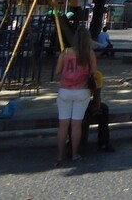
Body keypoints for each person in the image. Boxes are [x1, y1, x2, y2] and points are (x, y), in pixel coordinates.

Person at [55, 26, 97, 166]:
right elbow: (94, 73)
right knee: (76, 124)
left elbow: (57, 71)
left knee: (63, 124)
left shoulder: (65, 52)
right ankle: (74, 154)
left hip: (65, 90)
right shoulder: (89, 54)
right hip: (82, 90)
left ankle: (60, 155)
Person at [77, 70, 115, 155]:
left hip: (86, 101)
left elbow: (97, 94)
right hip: (75, 102)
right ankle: (78, 144)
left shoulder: (97, 75)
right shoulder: (76, 74)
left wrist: (97, 107)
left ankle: (104, 142)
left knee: (104, 109)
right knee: (83, 114)